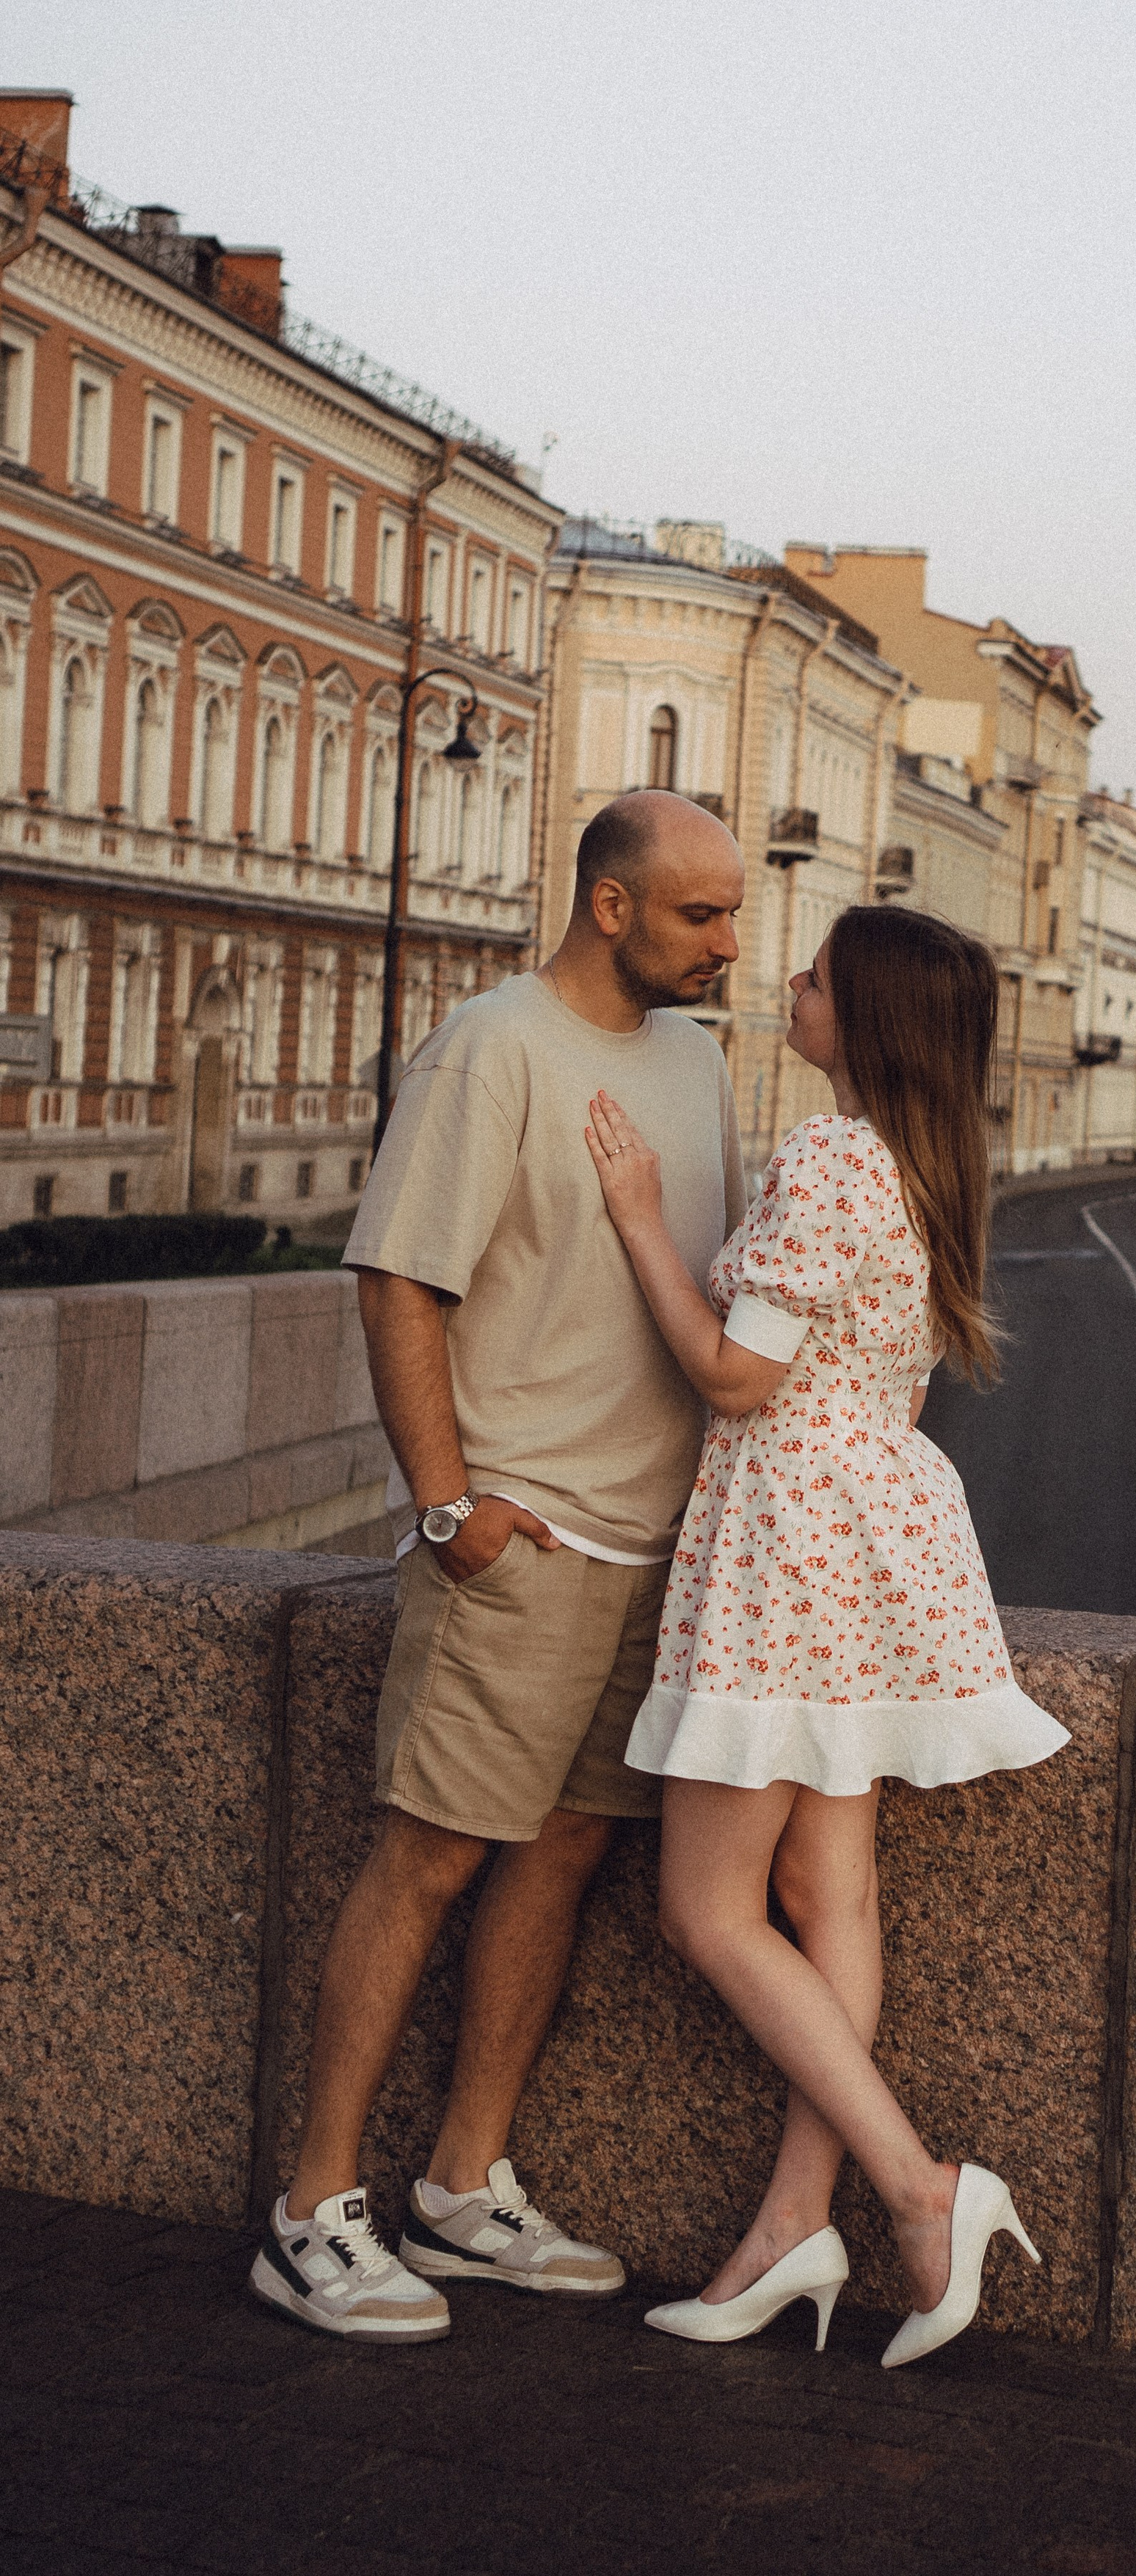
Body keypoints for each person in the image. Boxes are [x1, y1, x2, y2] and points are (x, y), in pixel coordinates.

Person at [249, 791, 748, 2343]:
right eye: (698, 916)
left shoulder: (699, 1057)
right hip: (519, 1536)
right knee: (430, 1855)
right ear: (610, 904)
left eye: (731, 915)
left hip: (654, 1542)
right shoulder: (489, 1045)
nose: (728, 944)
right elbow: (399, 1278)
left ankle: (463, 2188)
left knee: (564, 1855)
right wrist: (447, 1503)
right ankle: (312, 2211)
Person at [584, 902, 1068, 2371]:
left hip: (784, 1539)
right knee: (826, 1893)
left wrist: (635, 1223)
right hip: (870, 1541)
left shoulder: (829, 1158)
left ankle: (920, 2190)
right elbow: (891, 1389)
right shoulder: (928, 1171)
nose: (782, 985)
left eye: (808, 976)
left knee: (709, 1912)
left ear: (859, 1017)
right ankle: (794, 2223)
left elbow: (736, 1377)